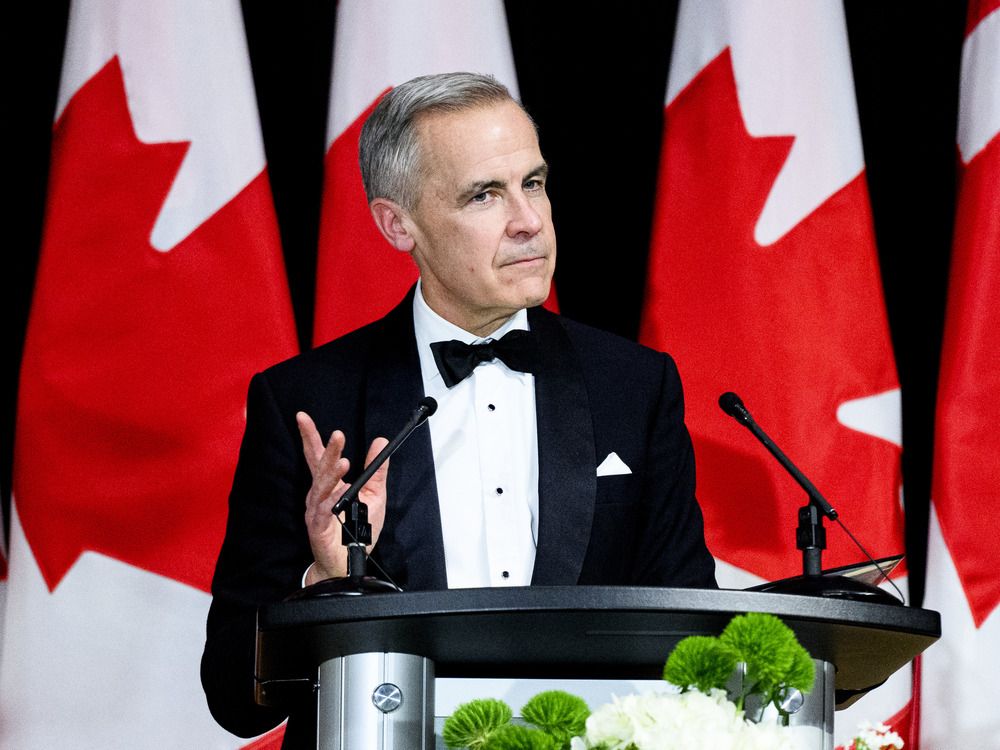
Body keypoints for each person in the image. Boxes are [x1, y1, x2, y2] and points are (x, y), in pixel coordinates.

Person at [201, 71, 716, 746]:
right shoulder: (306, 400)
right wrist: (323, 580)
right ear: (398, 224)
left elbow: (691, 635)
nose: (529, 220)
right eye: (485, 195)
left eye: (533, 183)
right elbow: (235, 697)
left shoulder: (636, 385)